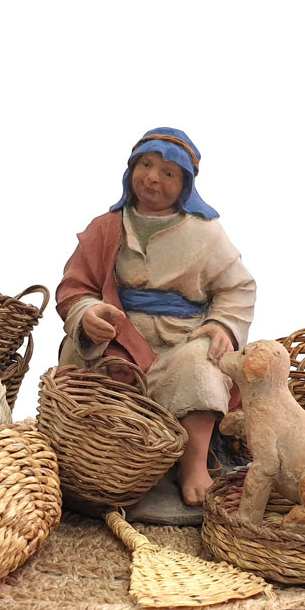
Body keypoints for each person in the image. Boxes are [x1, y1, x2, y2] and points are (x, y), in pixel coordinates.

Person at [56, 127, 256, 506]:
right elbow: (74, 287)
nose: (152, 178)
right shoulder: (106, 228)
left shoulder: (206, 234)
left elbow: (237, 288)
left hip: (181, 339)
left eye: (167, 173)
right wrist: (88, 313)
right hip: (120, 337)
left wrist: (221, 325)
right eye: (145, 165)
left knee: (201, 365)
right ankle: (95, 454)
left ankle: (192, 462)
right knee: (77, 356)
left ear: (186, 184)